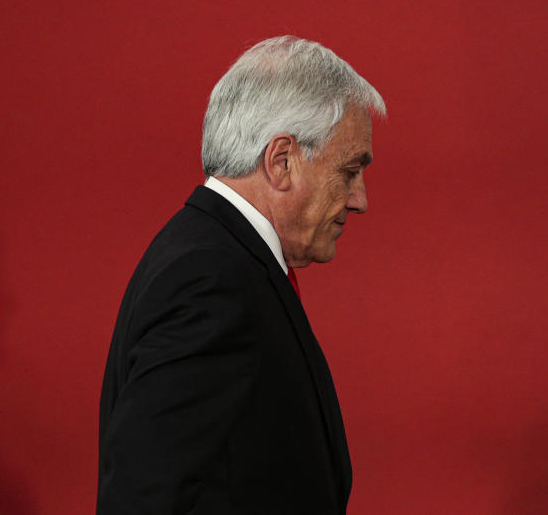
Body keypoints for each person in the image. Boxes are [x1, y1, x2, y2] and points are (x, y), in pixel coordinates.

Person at [97, 36, 386, 515]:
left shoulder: (223, 260)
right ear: (282, 161)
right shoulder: (210, 280)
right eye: (349, 170)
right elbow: (145, 496)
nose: (360, 199)